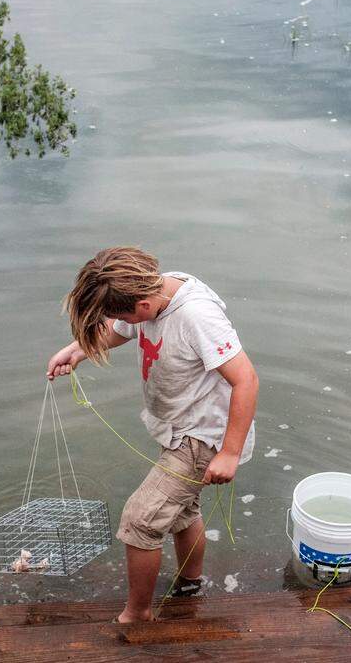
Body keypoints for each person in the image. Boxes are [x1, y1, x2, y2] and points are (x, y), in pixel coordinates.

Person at [46, 246, 258, 623]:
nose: (116, 321)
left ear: (143, 304)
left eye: (118, 313)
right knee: (181, 511)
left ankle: (137, 614)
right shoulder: (151, 292)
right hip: (176, 426)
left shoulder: (197, 316)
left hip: (202, 436)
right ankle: (190, 585)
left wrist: (229, 453)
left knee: (141, 520)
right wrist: (78, 350)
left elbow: (246, 380)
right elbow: (120, 329)